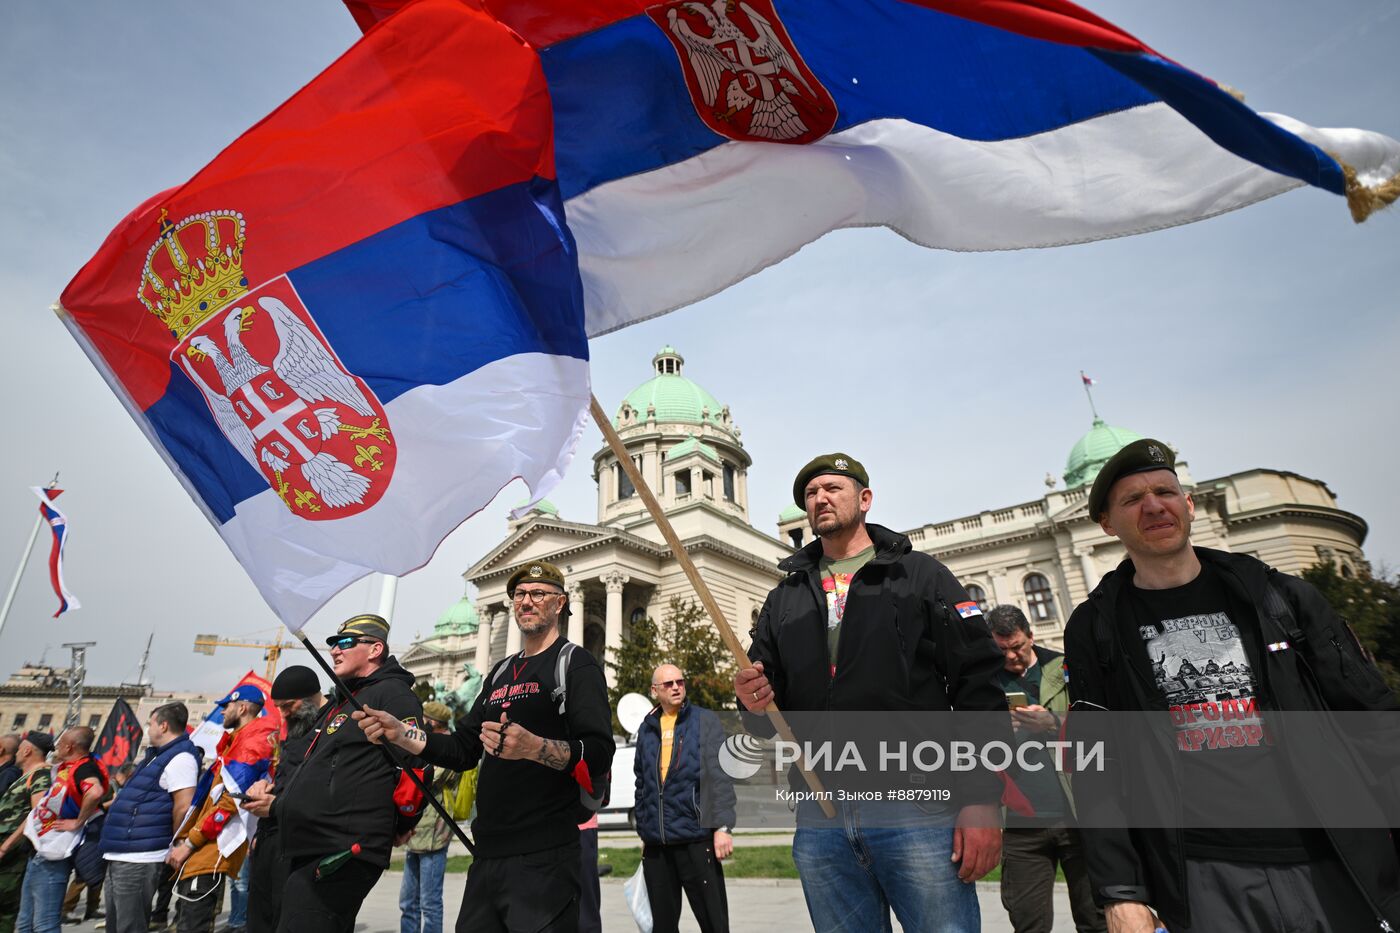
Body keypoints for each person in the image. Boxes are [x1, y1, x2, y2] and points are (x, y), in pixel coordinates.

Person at [1064, 438, 1400, 933]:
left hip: (1330, 857)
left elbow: (1373, 725)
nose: (1154, 506)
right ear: (1108, 524)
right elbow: (1097, 767)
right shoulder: (1096, 628)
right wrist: (1121, 892)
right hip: (1205, 877)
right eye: (1133, 499)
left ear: (1191, 504)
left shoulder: (1281, 598)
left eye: (1165, 491)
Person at [734, 453, 1009, 933]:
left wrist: (982, 798)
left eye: (832, 488)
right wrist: (751, 700)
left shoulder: (920, 575)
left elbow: (977, 684)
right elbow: (765, 714)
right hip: (820, 814)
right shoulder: (786, 597)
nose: (819, 498)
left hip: (916, 804)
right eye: (810, 493)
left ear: (864, 499)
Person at [355, 561, 615, 933]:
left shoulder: (574, 663)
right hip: (489, 853)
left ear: (559, 604)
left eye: (538, 594)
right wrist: (400, 733)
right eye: (520, 595)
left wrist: (534, 746)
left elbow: (599, 751)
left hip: (545, 857)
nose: (526, 602)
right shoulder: (499, 672)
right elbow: (462, 748)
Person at [274, 615, 425, 933]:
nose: (335, 651)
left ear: (375, 649)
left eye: (345, 643)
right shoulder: (343, 701)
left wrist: (404, 822)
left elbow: (419, 762)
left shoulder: (393, 694)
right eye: (332, 644)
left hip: (344, 844)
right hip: (313, 840)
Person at [985, 606, 1104, 933]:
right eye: (1002, 650)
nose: (1010, 656)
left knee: (1096, 919)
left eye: (1017, 647)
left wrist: (1053, 722)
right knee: (1028, 923)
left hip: (1078, 816)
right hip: (1020, 826)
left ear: (1030, 636)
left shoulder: (1065, 666)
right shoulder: (984, 682)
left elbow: (1101, 724)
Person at [634, 663, 735, 933]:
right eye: (668, 684)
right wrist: (645, 830)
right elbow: (641, 783)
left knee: (714, 922)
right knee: (662, 927)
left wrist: (722, 827)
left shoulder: (704, 720)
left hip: (696, 839)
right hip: (657, 846)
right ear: (655, 690)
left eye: (680, 681)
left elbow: (719, 776)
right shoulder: (646, 728)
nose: (677, 687)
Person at [165, 688, 275, 933]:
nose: (223, 711)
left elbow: (229, 804)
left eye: (227, 705)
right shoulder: (236, 741)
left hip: (211, 849)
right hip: (204, 846)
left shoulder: (250, 743)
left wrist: (190, 843)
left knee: (193, 925)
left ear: (242, 708)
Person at [98, 703, 200, 933]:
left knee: (130, 925)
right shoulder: (156, 756)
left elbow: (184, 807)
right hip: (123, 852)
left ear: (163, 725)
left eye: (150, 723)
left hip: (140, 856)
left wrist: (176, 842)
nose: (148, 728)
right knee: (116, 925)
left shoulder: (181, 757)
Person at [240, 665, 325, 933]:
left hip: (302, 843)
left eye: (288, 706)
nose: (283, 714)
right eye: (279, 707)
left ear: (311, 696)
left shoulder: (333, 726)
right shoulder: (297, 726)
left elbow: (321, 789)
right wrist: (269, 786)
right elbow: (290, 777)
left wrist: (277, 804)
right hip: (272, 838)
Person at [16, 727, 108, 933]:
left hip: (54, 853)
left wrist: (77, 821)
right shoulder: (69, 766)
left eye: (60, 743)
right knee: (25, 922)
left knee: (44, 924)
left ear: (69, 746)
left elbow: (94, 792)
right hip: (41, 849)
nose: (56, 746)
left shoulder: (85, 768)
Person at [398, 702, 459, 933]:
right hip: (415, 831)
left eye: (424, 719)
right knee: (407, 902)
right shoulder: (425, 746)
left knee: (430, 904)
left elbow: (427, 778)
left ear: (433, 722)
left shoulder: (449, 748)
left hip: (434, 834)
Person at [60, 762, 135, 925]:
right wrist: (116, 802)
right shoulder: (107, 787)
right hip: (92, 832)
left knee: (99, 872)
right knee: (84, 873)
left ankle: (92, 908)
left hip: (106, 832)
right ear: (126, 775)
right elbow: (94, 806)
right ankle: (66, 908)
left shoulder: (118, 788)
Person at [0, 734, 55, 933]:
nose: (16, 752)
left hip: (12, 855)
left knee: (5, 910)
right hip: (7, 851)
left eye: (20, 747)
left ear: (27, 750)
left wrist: (6, 845)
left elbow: (37, 814)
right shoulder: (27, 775)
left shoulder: (41, 775)